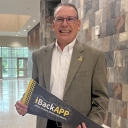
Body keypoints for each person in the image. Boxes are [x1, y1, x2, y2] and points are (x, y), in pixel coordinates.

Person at [15, 3, 109, 128]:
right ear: (53, 25)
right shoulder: (39, 56)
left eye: (70, 19)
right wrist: (24, 103)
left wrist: (91, 124)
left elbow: (101, 99)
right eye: (59, 19)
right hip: (46, 124)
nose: (64, 24)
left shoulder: (95, 57)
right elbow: (34, 89)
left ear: (78, 24)